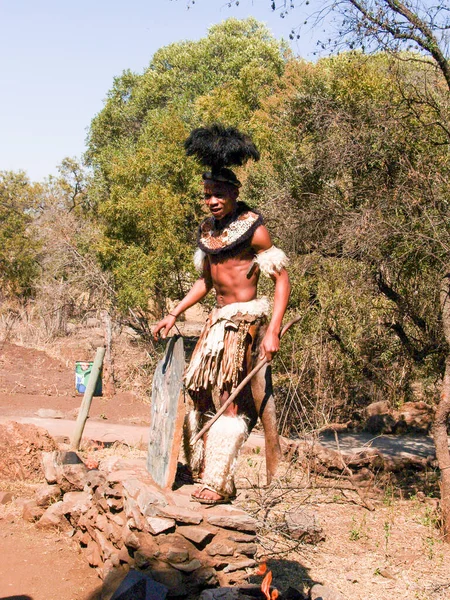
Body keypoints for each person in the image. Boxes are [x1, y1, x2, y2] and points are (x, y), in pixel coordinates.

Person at [153, 125, 290, 505]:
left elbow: (282, 281)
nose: (212, 201)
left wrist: (272, 329)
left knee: (229, 396)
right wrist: (175, 312)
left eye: (218, 194)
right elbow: (206, 283)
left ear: (235, 193)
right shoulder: (207, 232)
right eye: (207, 195)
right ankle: (201, 467)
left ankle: (218, 479)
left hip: (244, 322)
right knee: (197, 391)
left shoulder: (254, 230)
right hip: (216, 322)